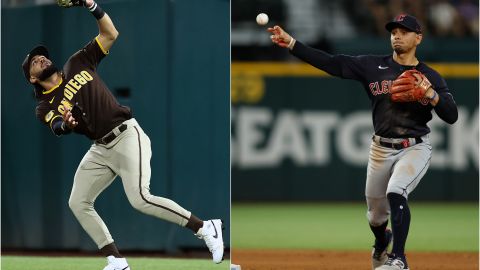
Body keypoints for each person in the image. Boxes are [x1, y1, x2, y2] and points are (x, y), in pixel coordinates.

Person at [21, 0, 224, 269]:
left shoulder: (77, 63)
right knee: (78, 202)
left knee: (140, 198)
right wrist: (67, 124)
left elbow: (110, 34)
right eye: (34, 61)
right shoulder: (44, 106)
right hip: (100, 148)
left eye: (42, 55)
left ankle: (205, 227)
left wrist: (91, 5)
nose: (41, 58)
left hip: (126, 134)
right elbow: (57, 126)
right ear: (33, 79)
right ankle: (117, 261)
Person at [268, 14, 457, 270]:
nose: (397, 36)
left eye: (404, 31)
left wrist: (431, 93)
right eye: (393, 32)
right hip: (380, 148)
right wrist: (292, 43)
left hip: (413, 147)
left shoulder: (429, 76)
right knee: (375, 217)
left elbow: (451, 115)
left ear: (418, 38)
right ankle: (382, 241)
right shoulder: (372, 66)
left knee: (396, 191)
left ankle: (398, 259)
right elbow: (331, 63)